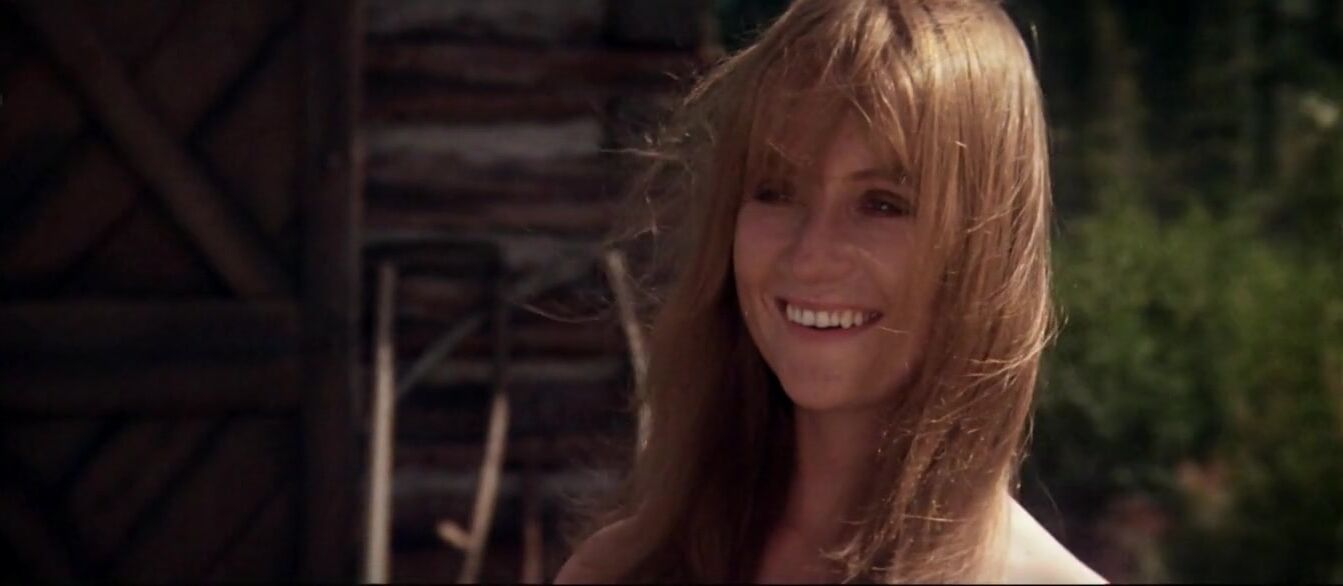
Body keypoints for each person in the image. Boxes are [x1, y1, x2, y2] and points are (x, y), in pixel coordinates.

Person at [557, 0, 1106, 582]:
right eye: (776, 191)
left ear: (986, 247)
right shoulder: (620, 568)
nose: (811, 255)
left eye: (882, 204)